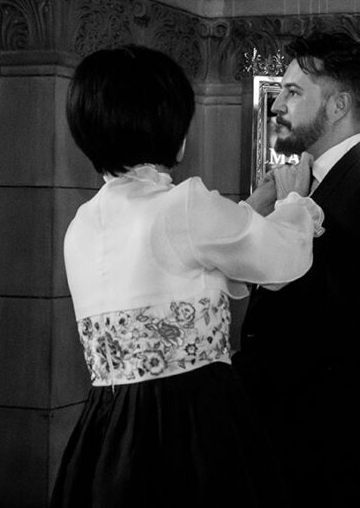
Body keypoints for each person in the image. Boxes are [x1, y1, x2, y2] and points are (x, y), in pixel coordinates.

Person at [51, 45, 324, 508]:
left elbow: (178, 265)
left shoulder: (82, 223)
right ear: (170, 129)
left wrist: (250, 210)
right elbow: (282, 261)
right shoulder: (186, 205)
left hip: (108, 428)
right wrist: (294, 202)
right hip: (190, 420)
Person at [234, 32, 360, 507]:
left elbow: (352, 326)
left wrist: (291, 210)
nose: (277, 106)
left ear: (337, 106)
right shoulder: (319, 179)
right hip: (300, 436)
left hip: (337, 445)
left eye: (293, 93)